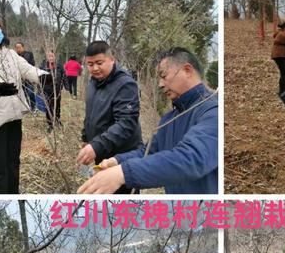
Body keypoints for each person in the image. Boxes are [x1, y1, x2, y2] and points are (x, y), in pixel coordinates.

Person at [78, 47, 218, 195]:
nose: (160, 84)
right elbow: (149, 151)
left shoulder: (212, 111)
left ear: (187, 70)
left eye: (163, 76)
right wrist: (117, 161)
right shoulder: (170, 119)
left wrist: (123, 173)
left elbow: (192, 158)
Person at [0, 15, 46, 194]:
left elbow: (26, 69)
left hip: (14, 113)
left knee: (13, 160)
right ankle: (0, 194)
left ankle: (13, 192)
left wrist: (42, 76)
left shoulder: (10, 54)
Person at [75, 40, 142, 193]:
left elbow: (126, 124)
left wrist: (96, 145)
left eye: (99, 62)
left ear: (112, 59)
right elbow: (90, 112)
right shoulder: (93, 82)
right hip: (102, 153)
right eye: (90, 64)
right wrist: (86, 138)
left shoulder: (125, 85)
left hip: (123, 159)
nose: (95, 68)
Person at [40, 51, 65, 132]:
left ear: (55, 56)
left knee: (57, 105)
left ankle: (57, 120)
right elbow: (39, 77)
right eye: (49, 56)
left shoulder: (59, 65)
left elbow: (64, 75)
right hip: (47, 90)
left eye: (52, 56)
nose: (51, 58)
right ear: (47, 57)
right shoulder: (43, 66)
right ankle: (50, 124)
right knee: (49, 107)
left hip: (57, 90)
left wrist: (64, 86)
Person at [14, 42, 36, 111]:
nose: (18, 49)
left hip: (28, 77)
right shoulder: (14, 56)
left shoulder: (29, 54)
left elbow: (32, 64)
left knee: (30, 92)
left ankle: (34, 107)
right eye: (17, 48)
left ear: (23, 47)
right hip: (19, 78)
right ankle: (27, 107)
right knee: (23, 93)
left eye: (19, 47)